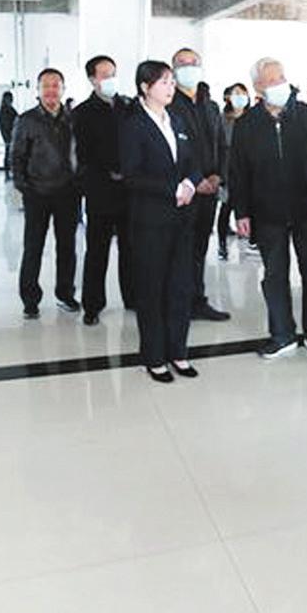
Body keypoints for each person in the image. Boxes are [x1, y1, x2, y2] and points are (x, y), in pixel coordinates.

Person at [231, 57, 307, 360]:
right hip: (267, 214)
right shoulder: (246, 125)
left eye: (281, 77)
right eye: (271, 80)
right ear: (258, 87)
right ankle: (282, 334)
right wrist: (241, 211)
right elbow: (238, 172)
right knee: (274, 275)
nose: (279, 84)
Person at [121, 60, 203, 383]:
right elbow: (132, 175)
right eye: (164, 82)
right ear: (145, 87)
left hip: (181, 220)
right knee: (152, 290)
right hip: (150, 221)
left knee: (180, 287)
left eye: (171, 81)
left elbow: (193, 161)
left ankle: (178, 352)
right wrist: (173, 189)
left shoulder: (176, 120)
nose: (171, 87)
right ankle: (154, 357)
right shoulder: (134, 125)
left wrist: (191, 183)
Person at [167, 48, 231, 322]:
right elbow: (173, 150)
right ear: (173, 70)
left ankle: (197, 299)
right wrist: (195, 180)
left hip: (209, 190)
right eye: (182, 63)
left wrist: (218, 176)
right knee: (179, 248)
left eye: (193, 62)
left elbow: (222, 145)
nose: (188, 67)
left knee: (200, 247)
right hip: (183, 189)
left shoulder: (210, 105)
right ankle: (177, 302)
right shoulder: (168, 104)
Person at [72, 55, 135, 325]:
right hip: (100, 191)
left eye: (113, 74)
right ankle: (93, 305)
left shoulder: (129, 107)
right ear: (92, 79)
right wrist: (108, 170)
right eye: (105, 75)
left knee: (131, 249)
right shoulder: (82, 112)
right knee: (97, 251)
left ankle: (133, 297)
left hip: (129, 190)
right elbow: (82, 155)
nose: (111, 79)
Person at [12, 68, 79, 319]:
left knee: (67, 247)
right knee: (33, 247)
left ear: (63, 89)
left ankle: (65, 293)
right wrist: (24, 187)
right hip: (37, 193)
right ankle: (30, 299)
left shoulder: (73, 118)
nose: (51, 90)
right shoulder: (26, 120)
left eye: (56, 85)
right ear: (38, 90)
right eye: (46, 85)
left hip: (68, 193)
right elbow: (16, 156)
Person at [216, 82, 251, 260]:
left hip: (249, 170)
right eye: (236, 93)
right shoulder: (223, 119)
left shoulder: (252, 118)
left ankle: (252, 240)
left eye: (243, 93)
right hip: (228, 170)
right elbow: (218, 146)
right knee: (226, 206)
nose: (240, 97)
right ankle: (222, 244)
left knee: (251, 206)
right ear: (229, 97)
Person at [0, 90, 18, 180]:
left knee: (10, 154)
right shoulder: (5, 110)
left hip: (11, 135)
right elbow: (5, 125)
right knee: (9, 154)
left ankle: (9, 173)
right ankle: (7, 173)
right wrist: (7, 137)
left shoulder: (9, 109)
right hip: (8, 135)